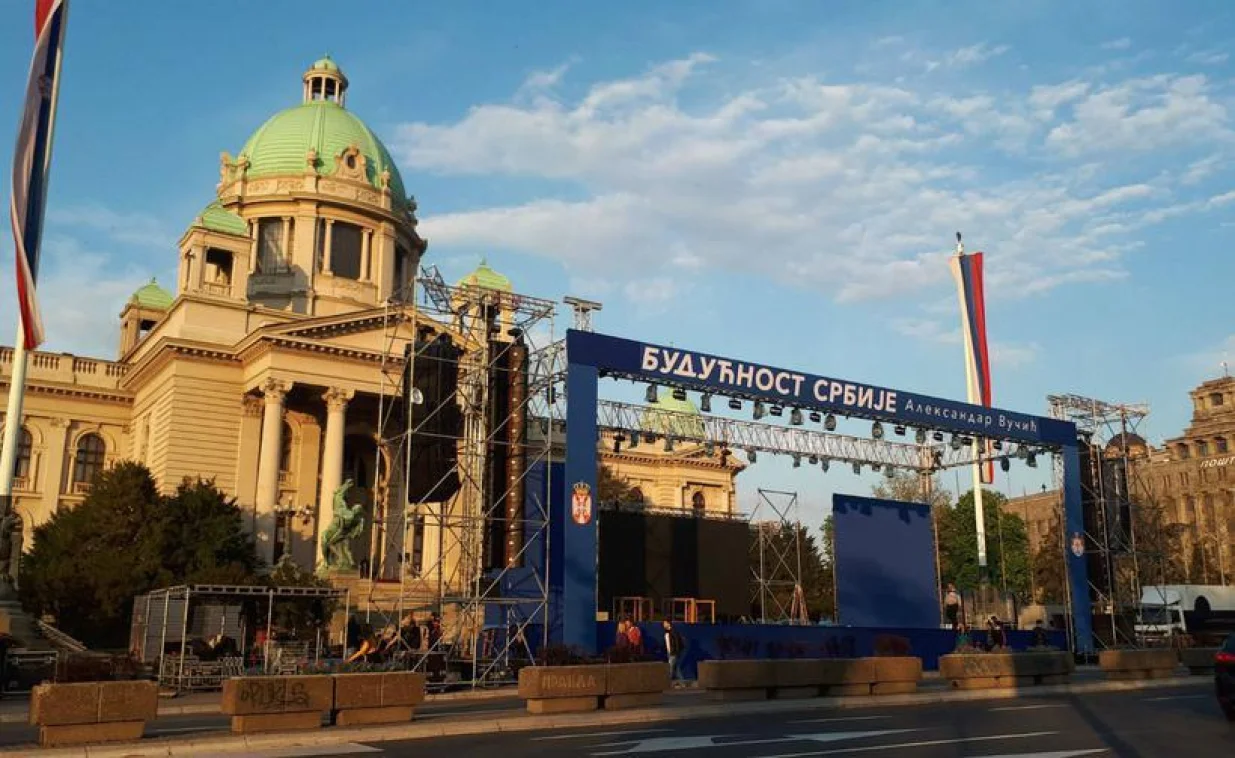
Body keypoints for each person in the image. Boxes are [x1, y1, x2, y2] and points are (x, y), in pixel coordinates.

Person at [662, 620, 685, 686]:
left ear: (668, 624)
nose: (663, 625)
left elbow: (677, 643)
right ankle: (682, 683)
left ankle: (667, 684)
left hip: (673, 653)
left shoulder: (673, 631)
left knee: (670, 669)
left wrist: (676, 652)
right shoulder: (667, 632)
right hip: (669, 653)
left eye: (665, 623)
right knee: (677, 668)